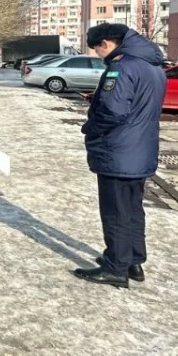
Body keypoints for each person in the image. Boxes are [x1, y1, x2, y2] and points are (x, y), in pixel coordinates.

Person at [74, 23, 167, 288]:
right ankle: (132, 260)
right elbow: (135, 102)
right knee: (132, 209)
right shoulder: (151, 65)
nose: (96, 54)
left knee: (116, 211)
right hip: (140, 149)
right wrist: (99, 98)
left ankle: (116, 267)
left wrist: (90, 127)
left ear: (107, 43)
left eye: (96, 48)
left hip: (119, 150)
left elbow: (114, 112)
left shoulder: (121, 66)